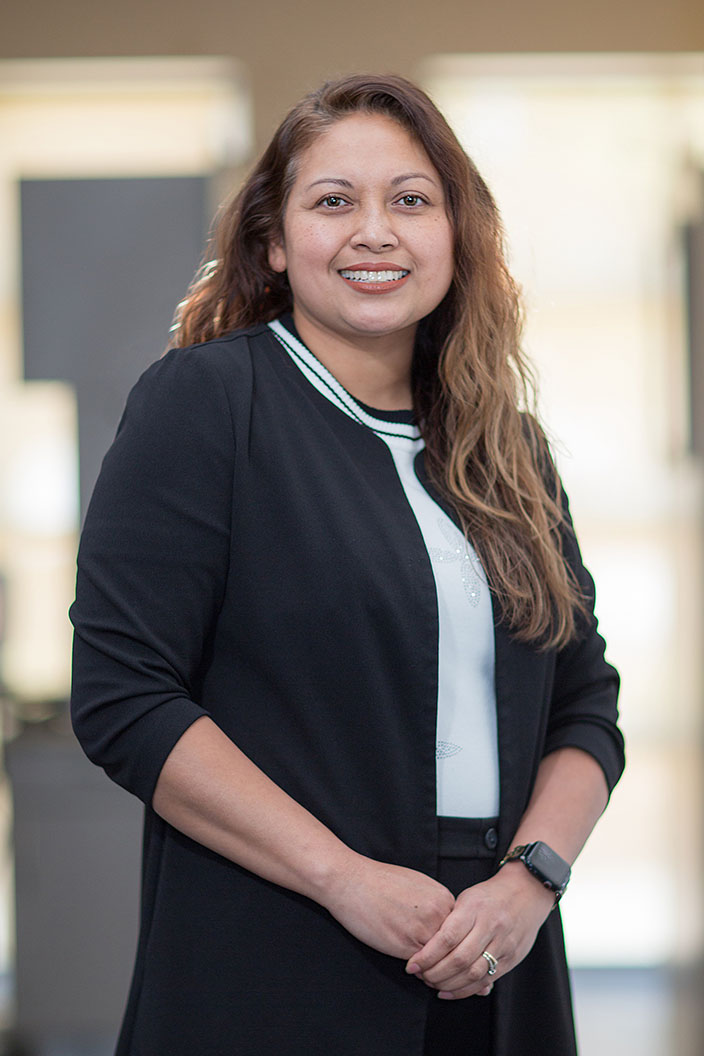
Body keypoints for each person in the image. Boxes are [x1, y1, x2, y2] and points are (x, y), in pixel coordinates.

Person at [69, 73, 624, 1056]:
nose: (375, 231)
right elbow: (125, 700)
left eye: (410, 200)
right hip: (272, 957)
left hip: (497, 953)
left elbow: (584, 700)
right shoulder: (205, 405)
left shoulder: (512, 449)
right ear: (275, 244)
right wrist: (341, 877)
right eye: (334, 201)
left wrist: (530, 880)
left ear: (454, 234)